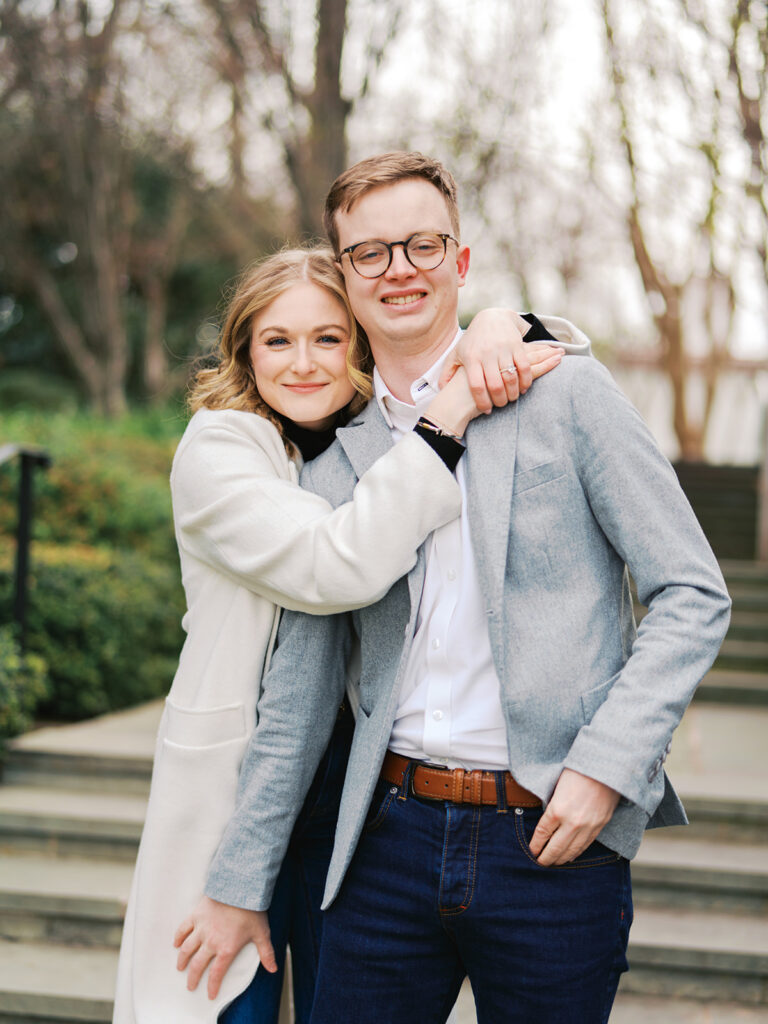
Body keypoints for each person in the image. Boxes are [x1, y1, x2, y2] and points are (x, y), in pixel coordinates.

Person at [182, 152, 732, 1024]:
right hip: (382, 842)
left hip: (552, 839)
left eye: (422, 245)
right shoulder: (334, 452)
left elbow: (694, 592)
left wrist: (607, 769)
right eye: (370, 253)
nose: (399, 269)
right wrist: (241, 879)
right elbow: (302, 685)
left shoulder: (567, 394)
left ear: (461, 263)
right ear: (347, 278)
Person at [113, 244, 583, 1024]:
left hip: (361, 802)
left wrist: (502, 322)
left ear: (360, 344)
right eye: (277, 340)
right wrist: (450, 414)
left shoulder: (362, 440)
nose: (303, 363)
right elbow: (338, 564)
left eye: (328, 338)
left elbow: (471, 350)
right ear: (244, 350)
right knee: (227, 1002)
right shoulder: (221, 448)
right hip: (243, 796)